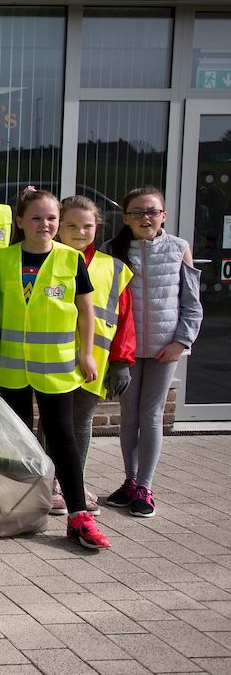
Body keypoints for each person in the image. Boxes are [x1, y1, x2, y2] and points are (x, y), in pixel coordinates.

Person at [0, 189, 111, 550]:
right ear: (19, 222)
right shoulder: (2, 258)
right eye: (36, 218)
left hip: (57, 368)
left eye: (51, 218)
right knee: (18, 440)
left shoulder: (71, 259)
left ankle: (78, 515)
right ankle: (20, 508)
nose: (45, 224)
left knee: (62, 438)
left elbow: (86, 311)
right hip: (11, 366)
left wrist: (87, 354)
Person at [104, 187, 202, 518]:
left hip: (164, 349)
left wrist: (181, 341)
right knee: (128, 417)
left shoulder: (178, 249)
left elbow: (192, 303)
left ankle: (145, 485)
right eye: (137, 212)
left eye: (152, 211)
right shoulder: (112, 251)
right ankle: (130, 481)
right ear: (126, 217)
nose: (145, 218)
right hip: (127, 350)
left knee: (151, 415)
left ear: (163, 215)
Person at [57, 196, 136, 515]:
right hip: (56, 360)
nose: (80, 232)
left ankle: (74, 482)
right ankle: (50, 483)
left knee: (81, 424)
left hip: (93, 363)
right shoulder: (49, 259)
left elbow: (126, 317)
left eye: (87, 226)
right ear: (59, 226)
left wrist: (121, 362)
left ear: (98, 227)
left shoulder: (114, 268)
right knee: (54, 425)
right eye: (72, 225)